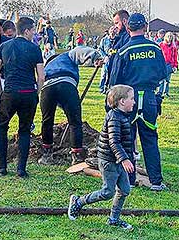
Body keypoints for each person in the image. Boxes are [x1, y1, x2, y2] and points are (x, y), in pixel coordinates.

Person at [109, 13, 167, 191]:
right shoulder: (155, 48)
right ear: (145, 27)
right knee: (150, 139)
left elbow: (114, 80)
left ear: (128, 28)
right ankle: (156, 182)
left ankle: (129, 179)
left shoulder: (124, 51)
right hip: (149, 97)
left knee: (128, 139)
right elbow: (163, 73)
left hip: (128, 99)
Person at [68, 85, 135, 230]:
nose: (134, 102)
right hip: (109, 161)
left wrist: (130, 155)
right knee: (107, 192)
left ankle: (114, 219)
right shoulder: (114, 117)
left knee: (124, 189)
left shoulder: (123, 116)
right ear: (122, 101)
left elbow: (124, 140)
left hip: (118, 160)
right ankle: (78, 201)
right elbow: (114, 142)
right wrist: (124, 159)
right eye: (132, 99)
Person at [0, 17, 45, 178]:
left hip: (10, 92)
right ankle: (21, 169)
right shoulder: (35, 49)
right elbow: (41, 76)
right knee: (24, 130)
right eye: (33, 30)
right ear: (27, 31)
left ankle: (2, 167)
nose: (34, 33)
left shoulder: (4, 46)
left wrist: (1, 92)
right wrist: (37, 92)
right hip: (28, 93)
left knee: (1, 127)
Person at [38, 46, 102, 166]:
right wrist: (96, 57)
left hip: (47, 89)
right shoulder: (66, 56)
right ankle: (76, 156)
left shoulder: (47, 67)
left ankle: (47, 154)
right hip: (66, 85)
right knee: (75, 122)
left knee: (47, 121)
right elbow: (80, 51)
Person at [158, 32, 178, 97]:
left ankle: (166, 92)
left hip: (170, 64)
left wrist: (175, 65)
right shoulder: (161, 45)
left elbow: (175, 56)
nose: (169, 38)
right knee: (161, 79)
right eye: (168, 36)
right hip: (162, 64)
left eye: (171, 37)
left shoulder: (173, 47)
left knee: (167, 80)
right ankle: (160, 92)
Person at [98, 27, 115, 93]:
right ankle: (102, 88)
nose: (112, 32)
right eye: (111, 30)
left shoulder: (117, 40)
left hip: (114, 60)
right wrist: (104, 57)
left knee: (111, 75)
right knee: (104, 74)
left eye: (114, 30)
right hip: (106, 60)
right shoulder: (104, 40)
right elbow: (100, 49)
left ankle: (109, 88)